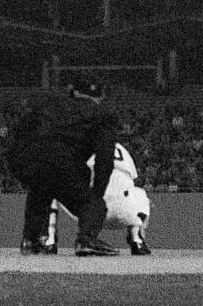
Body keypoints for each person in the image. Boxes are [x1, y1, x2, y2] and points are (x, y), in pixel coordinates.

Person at [7, 77, 122, 256]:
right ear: (101, 95)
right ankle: (86, 240)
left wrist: (19, 161)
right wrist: (95, 196)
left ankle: (30, 239)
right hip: (60, 159)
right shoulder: (103, 114)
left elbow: (21, 129)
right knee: (91, 205)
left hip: (25, 157)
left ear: (73, 91)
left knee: (40, 190)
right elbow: (104, 159)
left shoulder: (50, 104)